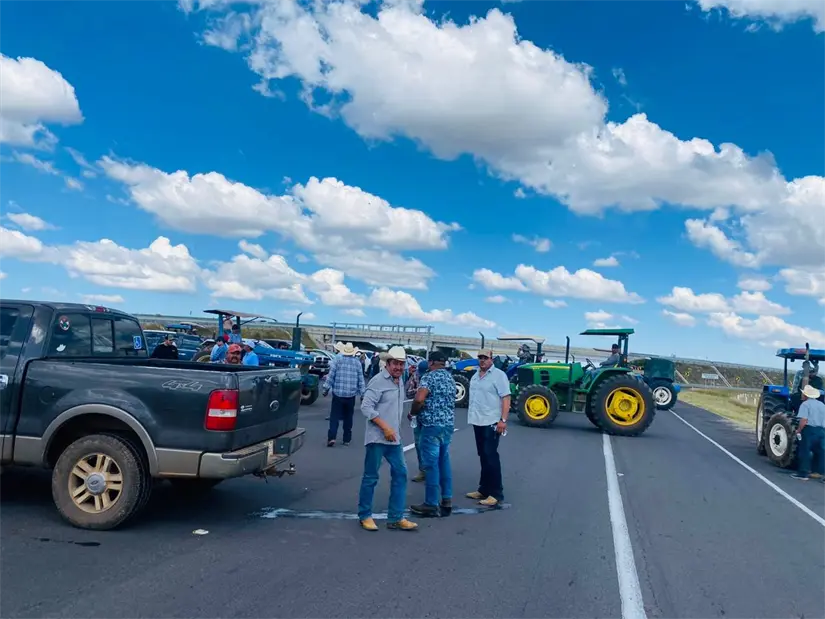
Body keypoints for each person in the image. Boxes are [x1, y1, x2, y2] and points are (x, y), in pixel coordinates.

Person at [358, 346, 418, 532]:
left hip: (394, 438)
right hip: (377, 437)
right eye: (395, 364)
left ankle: (396, 517)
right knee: (371, 477)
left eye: (401, 364)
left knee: (400, 474)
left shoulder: (399, 380)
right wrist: (384, 427)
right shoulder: (378, 381)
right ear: (387, 363)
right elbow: (366, 407)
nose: (399, 367)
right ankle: (365, 515)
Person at [410, 351, 456, 518]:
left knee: (431, 465)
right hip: (447, 425)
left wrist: (413, 412)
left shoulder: (429, 377)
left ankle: (431, 503)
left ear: (431, 363)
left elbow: (419, 399)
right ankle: (447, 499)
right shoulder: (450, 379)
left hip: (431, 425)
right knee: (444, 462)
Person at [466, 349, 510, 507]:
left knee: (490, 456)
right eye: (480, 357)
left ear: (492, 359)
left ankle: (496, 493)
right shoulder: (475, 376)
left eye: (485, 358)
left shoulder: (499, 375)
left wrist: (503, 420)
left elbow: (506, 397)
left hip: (492, 421)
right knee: (483, 455)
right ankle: (484, 489)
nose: (482, 360)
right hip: (477, 420)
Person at [323, 342, 366, 447]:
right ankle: (346, 439)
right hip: (351, 395)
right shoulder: (357, 363)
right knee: (348, 418)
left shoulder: (337, 360)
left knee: (334, 416)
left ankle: (332, 437)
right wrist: (363, 394)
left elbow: (331, 376)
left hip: (338, 394)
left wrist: (325, 389)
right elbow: (361, 380)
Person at [791, 384, 825, 481]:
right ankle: (819, 472)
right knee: (821, 452)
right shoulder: (822, 405)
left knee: (805, 451)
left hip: (809, 430)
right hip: (821, 431)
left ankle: (803, 473)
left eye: (803, 394)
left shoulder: (805, 405)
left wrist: (798, 430)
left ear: (806, 395)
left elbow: (804, 420)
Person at [407, 359, 430, 483]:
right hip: (417, 414)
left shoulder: (433, 378)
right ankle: (423, 470)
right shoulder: (416, 376)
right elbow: (408, 393)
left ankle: (433, 471)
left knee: (431, 445)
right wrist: (420, 391)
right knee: (418, 443)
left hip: (431, 416)